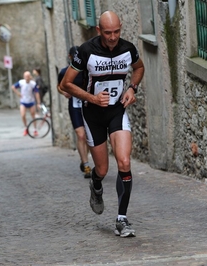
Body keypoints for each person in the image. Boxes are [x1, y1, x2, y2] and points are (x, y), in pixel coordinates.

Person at [60, 11, 145, 237]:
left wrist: (132, 88)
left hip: (117, 111)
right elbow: (66, 84)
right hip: (93, 115)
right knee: (102, 169)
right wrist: (92, 98)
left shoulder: (128, 49)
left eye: (116, 31)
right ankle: (96, 185)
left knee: (124, 162)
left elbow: (139, 68)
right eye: (107, 33)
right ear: (99, 31)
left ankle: (122, 219)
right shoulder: (85, 51)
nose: (112, 37)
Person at [58, 46, 92, 179]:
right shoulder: (64, 72)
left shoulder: (87, 70)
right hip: (74, 105)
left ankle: (85, 158)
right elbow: (59, 86)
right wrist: (64, 92)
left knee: (89, 136)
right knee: (81, 135)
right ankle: (86, 164)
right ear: (70, 57)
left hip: (88, 105)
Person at [12, 71, 41, 136]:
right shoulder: (21, 82)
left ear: (30, 76)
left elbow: (37, 93)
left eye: (28, 76)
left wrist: (38, 103)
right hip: (23, 101)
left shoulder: (33, 84)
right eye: (26, 76)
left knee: (33, 115)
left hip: (31, 101)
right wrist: (18, 94)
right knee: (23, 115)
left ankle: (35, 129)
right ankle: (26, 128)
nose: (27, 78)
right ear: (24, 77)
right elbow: (13, 87)